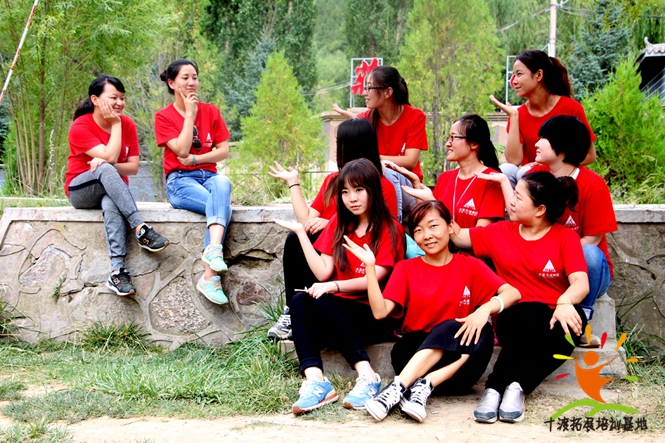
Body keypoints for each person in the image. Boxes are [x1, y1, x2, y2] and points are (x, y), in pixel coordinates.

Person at [343, 200, 520, 423]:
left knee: (477, 329)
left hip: (457, 373)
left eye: (433, 226)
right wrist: (370, 268)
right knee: (448, 328)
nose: (427, 235)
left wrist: (485, 309)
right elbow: (380, 313)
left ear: (451, 226)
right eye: (418, 230)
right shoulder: (406, 268)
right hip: (413, 356)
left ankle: (406, 387)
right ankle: (416, 386)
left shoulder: (469, 265)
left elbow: (512, 293)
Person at [449, 171, 590, 423]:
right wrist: (433, 206)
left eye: (518, 197)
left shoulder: (565, 237)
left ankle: (515, 387)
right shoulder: (500, 231)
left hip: (553, 316)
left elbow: (580, 282)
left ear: (540, 209)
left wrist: (565, 302)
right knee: (530, 314)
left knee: (573, 322)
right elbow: (459, 237)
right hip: (514, 315)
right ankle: (495, 389)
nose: (510, 202)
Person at [273, 158, 405, 415]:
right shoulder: (338, 224)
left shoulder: (391, 229)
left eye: (359, 190)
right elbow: (323, 271)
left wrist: (333, 286)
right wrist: (301, 235)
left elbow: (375, 277)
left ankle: (368, 376)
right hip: (339, 310)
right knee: (301, 300)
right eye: (345, 192)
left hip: (373, 316)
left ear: (373, 190)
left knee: (323, 298)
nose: (351, 198)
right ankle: (316, 382)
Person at [266, 118, 398, 341]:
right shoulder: (332, 180)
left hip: (354, 255)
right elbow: (307, 220)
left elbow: (382, 227)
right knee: (295, 239)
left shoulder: (381, 186)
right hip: (327, 252)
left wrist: (330, 224)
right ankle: (291, 309)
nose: (336, 149)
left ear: (353, 145)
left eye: (339, 143)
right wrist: (293, 182)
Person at [66, 75, 170, 296]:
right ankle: (140, 227)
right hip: (81, 190)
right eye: (113, 97)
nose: (119, 103)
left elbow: (132, 167)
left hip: (112, 191)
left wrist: (108, 164)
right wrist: (114, 126)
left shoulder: (128, 124)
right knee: (105, 168)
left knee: (110, 201)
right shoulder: (80, 126)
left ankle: (117, 272)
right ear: (95, 99)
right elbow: (111, 157)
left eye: (122, 98)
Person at [154, 59, 232, 305]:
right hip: (180, 181)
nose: (191, 82)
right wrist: (190, 114)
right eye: (185, 78)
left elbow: (223, 152)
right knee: (221, 206)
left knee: (223, 182)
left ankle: (212, 258)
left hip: (209, 177)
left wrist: (196, 159)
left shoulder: (212, 111)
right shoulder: (163, 116)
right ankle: (210, 275)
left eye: (195, 77)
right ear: (171, 83)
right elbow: (181, 149)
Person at [491, 50, 597, 187]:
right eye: (513, 75)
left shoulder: (571, 108)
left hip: (559, 179)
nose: (514, 81)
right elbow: (513, 160)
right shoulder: (518, 113)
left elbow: (590, 155)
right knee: (506, 170)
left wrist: (548, 166)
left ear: (539, 75)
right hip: (529, 180)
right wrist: (514, 117)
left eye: (519, 74)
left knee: (526, 173)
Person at [333, 66, 428, 220]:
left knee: (386, 171)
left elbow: (410, 161)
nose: (365, 93)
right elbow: (357, 124)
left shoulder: (415, 116)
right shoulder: (368, 118)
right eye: (365, 87)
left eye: (370, 88)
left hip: (409, 188)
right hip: (377, 183)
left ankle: (393, 226)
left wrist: (373, 157)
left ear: (388, 92)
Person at [389, 114, 505, 231]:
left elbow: (480, 235)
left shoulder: (492, 180)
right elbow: (428, 224)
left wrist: (431, 201)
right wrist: (416, 184)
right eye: (448, 138)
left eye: (453, 138)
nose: (448, 143)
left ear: (474, 144)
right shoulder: (445, 177)